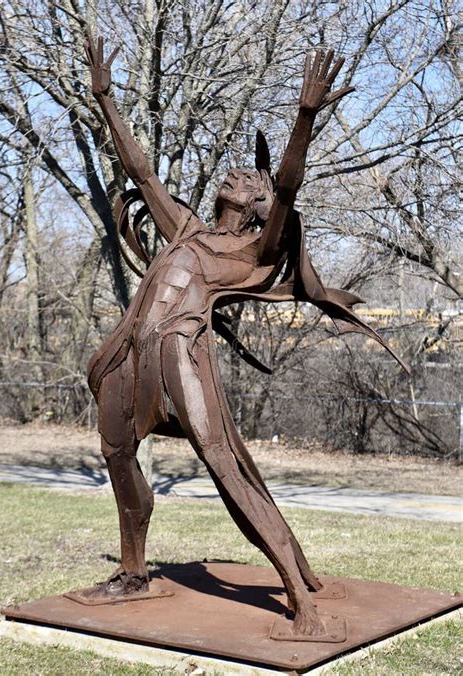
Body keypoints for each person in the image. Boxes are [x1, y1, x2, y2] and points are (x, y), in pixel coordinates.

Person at [84, 35, 407, 635]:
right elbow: (141, 170)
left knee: (224, 464)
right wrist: (106, 99)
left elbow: (287, 186)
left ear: (258, 204)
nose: (237, 172)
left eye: (249, 178)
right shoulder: (185, 228)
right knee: (116, 452)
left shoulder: (255, 250)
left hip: (181, 348)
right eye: (237, 171)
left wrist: (304, 118)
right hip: (133, 351)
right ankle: (132, 573)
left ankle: (299, 597)